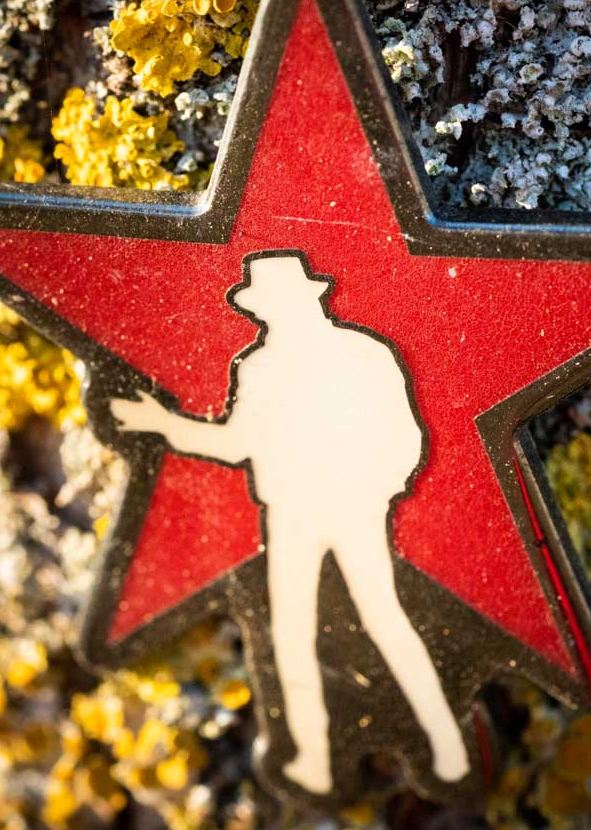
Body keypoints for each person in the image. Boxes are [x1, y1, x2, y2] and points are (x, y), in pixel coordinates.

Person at [109, 251, 469, 794]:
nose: (268, 316)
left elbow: (405, 435)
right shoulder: (264, 365)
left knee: (379, 621)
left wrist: (379, 489)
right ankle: (317, 761)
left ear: (303, 300)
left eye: (275, 304)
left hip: (348, 507)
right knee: (297, 633)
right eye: (265, 308)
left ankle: (445, 745)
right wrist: (164, 425)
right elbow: (237, 444)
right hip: (295, 514)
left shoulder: (359, 353)